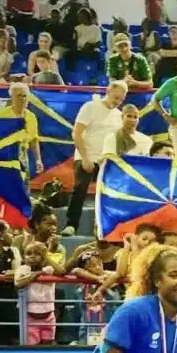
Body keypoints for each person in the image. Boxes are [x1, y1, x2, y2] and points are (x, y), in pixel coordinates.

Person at [63, 81, 127, 236]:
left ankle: (104, 228)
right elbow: (76, 133)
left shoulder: (119, 116)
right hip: (86, 156)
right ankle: (71, 225)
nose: (117, 102)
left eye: (121, 100)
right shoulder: (90, 107)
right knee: (80, 188)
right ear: (108, 90)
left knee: (109, 194)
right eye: (116, 98)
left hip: (107, 161)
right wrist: (85, 158)